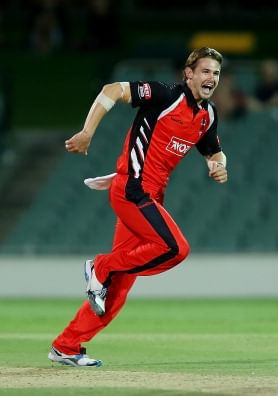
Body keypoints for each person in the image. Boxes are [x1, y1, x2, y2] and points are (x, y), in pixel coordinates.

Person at [48, 47, 228, 367]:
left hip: (150, 198)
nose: (211, 77)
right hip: (133, 190)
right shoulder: (165, 94)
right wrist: (88, 131)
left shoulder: (207, 116)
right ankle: (101, 268)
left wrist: (218, 165)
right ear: (188, 74)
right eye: (205, 71)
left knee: (118, 289)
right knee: (175, 248)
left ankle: (67, 345)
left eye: (215, 72)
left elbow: (214, 151)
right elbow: (111, 90)